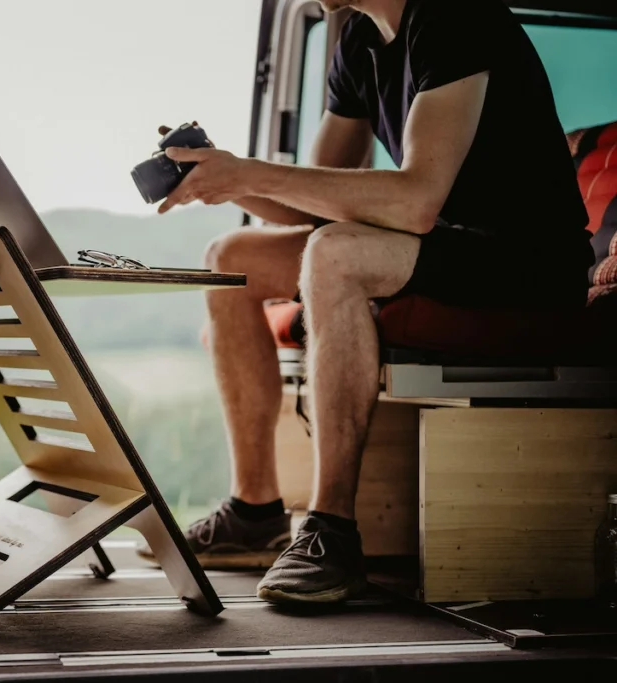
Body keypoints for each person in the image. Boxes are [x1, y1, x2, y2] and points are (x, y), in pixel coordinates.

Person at [137, 0, 593, 604]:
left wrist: (249, 172)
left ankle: (332, 533)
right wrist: (227, 178)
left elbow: (415, 201)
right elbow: (312, 199)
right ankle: (254, 512)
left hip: (522, 261)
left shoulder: (456, 18)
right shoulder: (357, 40)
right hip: (436, 245)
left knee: (335, 253)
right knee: (232, 256)